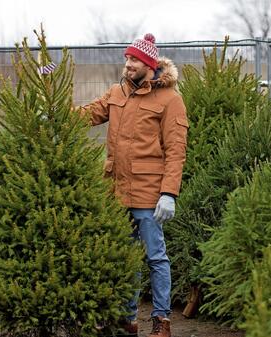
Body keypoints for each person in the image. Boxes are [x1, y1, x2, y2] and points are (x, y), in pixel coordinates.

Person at [81, 33, 188, 337]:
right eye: (127, 59)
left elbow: (176, 150)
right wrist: (53, 114)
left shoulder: (170, 99)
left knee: (156, 257)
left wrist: (168, 193)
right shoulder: (117, 92)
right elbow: (89, 113)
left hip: (149, 194)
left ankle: (161, 322)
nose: (128, 64)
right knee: (125, 258)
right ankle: (127, 319)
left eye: (134, 60)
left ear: (150, 65)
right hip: (116, 192)